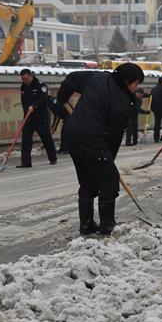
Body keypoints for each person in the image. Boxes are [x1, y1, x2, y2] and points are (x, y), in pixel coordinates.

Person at [57, 63, 144, 235]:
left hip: (72, 135)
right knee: (109, 179)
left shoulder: (96, 77)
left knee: (87, 180)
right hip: (92, 138)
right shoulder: (123, 101)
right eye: (136, 83)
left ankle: (86, 224)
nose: (137, 87)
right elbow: (114, 136)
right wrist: (109, 158)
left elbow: (71, 79)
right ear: (126, 81)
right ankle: (107, 225)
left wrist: (62, 97)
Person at [18, 69, 57, 168]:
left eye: (26, 79)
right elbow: (23, 101)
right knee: (26, 139)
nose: (25, 81)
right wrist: (25, 111)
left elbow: (43, 99)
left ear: (31, 76)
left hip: (41, 117)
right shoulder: (23, 87)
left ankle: (53, 158)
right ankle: (26, 162)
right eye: (23, 79)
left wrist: (34, 106)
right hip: (29, 117)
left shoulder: (41, 85)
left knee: (46, 137)